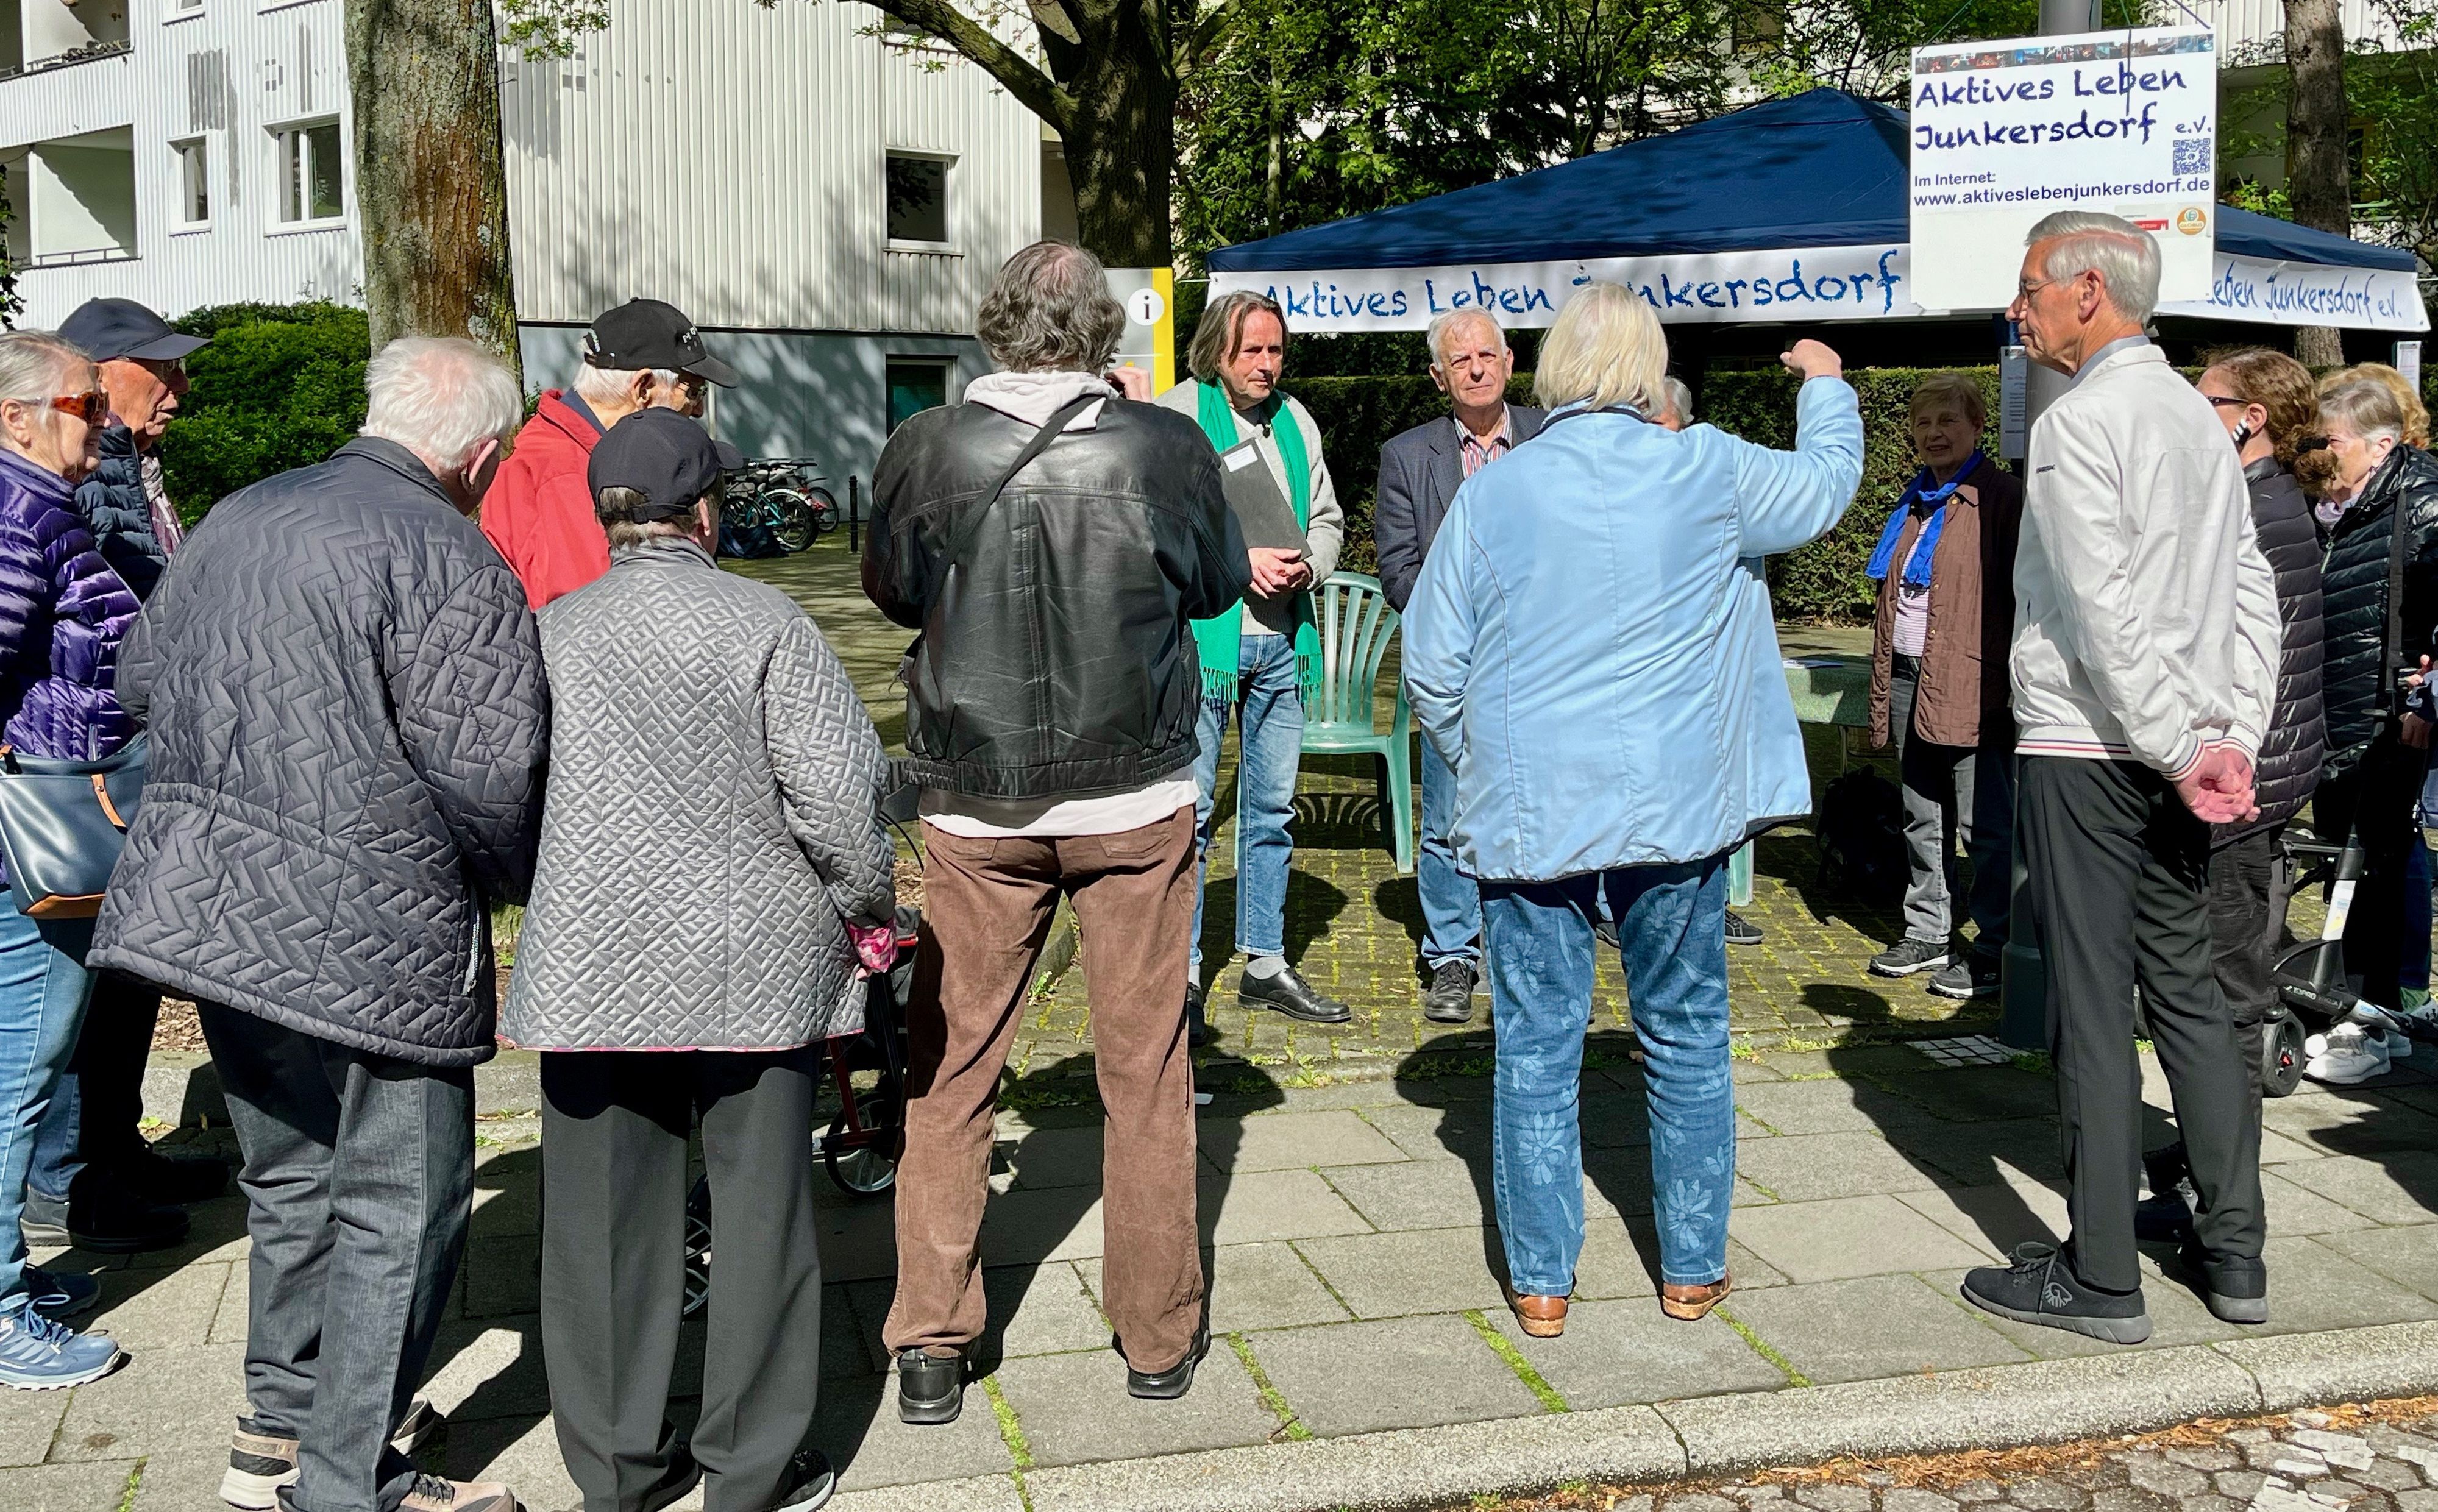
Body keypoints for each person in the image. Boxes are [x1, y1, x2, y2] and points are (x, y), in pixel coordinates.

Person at [91, 338, 549, 1512]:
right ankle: (346, 1482)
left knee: (292, 1179)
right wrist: (503, 889)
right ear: (482, 454)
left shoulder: (244, 512)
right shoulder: (450, 550)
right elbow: (495, 779)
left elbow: (140, 678)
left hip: (209, 909)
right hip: (372, 936)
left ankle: (276, 1433)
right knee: (407, 1203)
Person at [1403, 282, 1862, 1340]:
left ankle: (1542, 1283)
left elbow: (1431, 665)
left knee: (1534, 1046)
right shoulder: (1705, 467)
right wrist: (1828, 388)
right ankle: (1693, 1268)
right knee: (1689, 1032)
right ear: (1647, 368)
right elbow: (1829, 487)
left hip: (1533, 814)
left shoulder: (1498, 492)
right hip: (1676, 804)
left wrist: (1486, 758)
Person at [865, 242, 1251, 1420]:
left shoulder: (925, 447)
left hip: (978, 799)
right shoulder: (1165, 445)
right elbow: (1218, 584)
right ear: (1099, 335)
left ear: (994, 328)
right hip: (1133, 790)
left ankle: (930, 1337)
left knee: (954, 1065)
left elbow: (891, 588)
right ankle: (1155, 1335)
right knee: (1147, 1069)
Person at [506, 407, 891, 1512]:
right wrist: (867, 908)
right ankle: (751, 1470)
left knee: (599, 1229)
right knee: (761, 1220)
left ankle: (618, 1472)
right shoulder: (765, 623)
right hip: (755, 965)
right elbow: (840, 797)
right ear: (706, 511)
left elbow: (509, 794)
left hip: (592, 967)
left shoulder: (551, 630)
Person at [1963, 211, 2280, 1344]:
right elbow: (2249, 588)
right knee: (2189, 989)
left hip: (2093, 745)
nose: (2019, 308)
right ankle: (2234, 1245)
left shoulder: (2079, 420)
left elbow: (2098, 605)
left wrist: (2182, 739)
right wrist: (2225, 731)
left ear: (2087, 290)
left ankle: (2102, 1274)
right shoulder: (2201, 424)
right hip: (2182, 742)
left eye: (2030, 289)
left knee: (2093, 1004)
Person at [21, 298, 223, 1258]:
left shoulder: (124, 467)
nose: (180, 389)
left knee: (125, 973)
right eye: (161, 369)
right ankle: (70, 1185)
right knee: (86, 983)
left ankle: (109, 1154)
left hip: (122, 760)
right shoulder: (80, 479)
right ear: (96, 376)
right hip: (84, 770)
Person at [2139, 348, 2328, 1237]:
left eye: (2203, 397)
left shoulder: (2257, 512)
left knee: (2224, 990)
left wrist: (2220, 767)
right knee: (2221, 982)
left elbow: (2256, 664)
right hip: (2258, 775)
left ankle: (2224, 1206)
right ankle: (2211, 1161)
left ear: (2249, 416)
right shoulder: (2269, 503)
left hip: (2243, 786)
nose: (2188, 408)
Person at [0, 331, 138, 1388]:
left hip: (42, 835)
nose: (108, 419)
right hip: (30, 851)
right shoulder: (16, 510)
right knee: (16, 1079)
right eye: (86, 405)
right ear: (19, 416)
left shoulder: (37, 504)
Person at [1156, 291, 1350, 1032]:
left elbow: (1328, 519)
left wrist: (1312, 568)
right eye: (1252, 353)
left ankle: (1265, 961)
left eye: (1275, 351)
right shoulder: (1177, 417)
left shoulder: (1297, 421)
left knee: (1271, 811)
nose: (1267, 366)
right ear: (1215, 352)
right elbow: (1161, 529)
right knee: (1195, 815)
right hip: (1205, 644)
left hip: (1282, 646)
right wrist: (1241, 565)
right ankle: (1186, 974)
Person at [1373, 308, 1545, 1023]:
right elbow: (1397, 569)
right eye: (1459, 360)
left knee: (1540, 804)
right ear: (1438, 376)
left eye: (1487, 356)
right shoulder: (1407, 456)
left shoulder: (1551, 437)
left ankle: (1529, 945)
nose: (1475, 369)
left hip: (1543, 663)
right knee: (1446, 816)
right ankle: (1451, 953)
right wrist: (1460, 623)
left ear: (1509, 363)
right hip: (1454, 665)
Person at [1861, 374, 2024, 1001]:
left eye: (1947, 422)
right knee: (1919, 813)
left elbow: (2020, 594)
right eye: (1923, 423)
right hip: (1908, 672)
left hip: (1971, 677)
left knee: (1983, 823)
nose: (1933, 434)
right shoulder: (1914, 500)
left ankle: (1994, 945)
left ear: (1977, 427)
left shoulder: (2001, 498)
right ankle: (1927, 930)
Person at [2305, 380, 2438, 1024]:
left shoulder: (2423, 500)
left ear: (2380, 444)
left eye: (2330, 440)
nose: (2319, 453)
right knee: (2341, 860)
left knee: (2377, 866)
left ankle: (2379, 1012)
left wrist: (2427, 698)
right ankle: (2349, 1004)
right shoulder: (2336, 504)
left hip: (2390, 717)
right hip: (2332, 711)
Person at [480, 298, 738, 609]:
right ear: (643, 388)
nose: (698, 410)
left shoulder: (579, 454)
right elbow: (599, 616)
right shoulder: (565, 476)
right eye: (693, 391)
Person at [1654, 376, 1769, 950]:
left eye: (1660, 424)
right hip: (1652, 680)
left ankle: (1709, 904)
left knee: (1709, 792)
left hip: (1708, 675)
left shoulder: (1716, 486)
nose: (1651, 438)